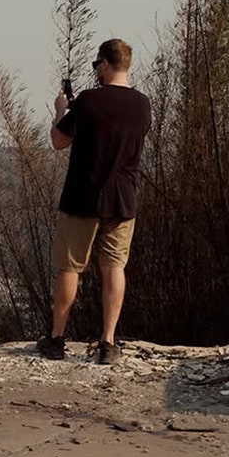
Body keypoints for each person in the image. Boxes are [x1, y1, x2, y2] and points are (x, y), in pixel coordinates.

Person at [36, 38, 151, 365]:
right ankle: (108, 343)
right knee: (115, 268)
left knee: (70, 268)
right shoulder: (143, 105)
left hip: (82, 198)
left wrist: (62, 110)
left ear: (104, 64)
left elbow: (59, 141)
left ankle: (57, 339)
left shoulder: (86, 102)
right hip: (123, 199)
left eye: (95, 66)